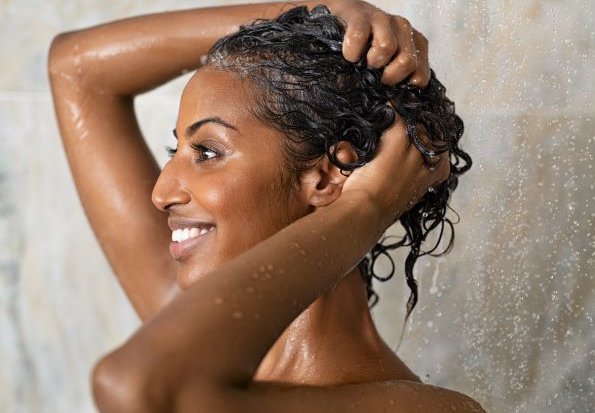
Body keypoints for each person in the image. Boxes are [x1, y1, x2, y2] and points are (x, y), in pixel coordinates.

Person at [48, 1, 482, 411]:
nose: (161, 193)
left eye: (207, 152)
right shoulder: (189, 333)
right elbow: (77, 69)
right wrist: (319, 12)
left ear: (328, 177)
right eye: (174, 148)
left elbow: (138, 386)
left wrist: (366, 205)